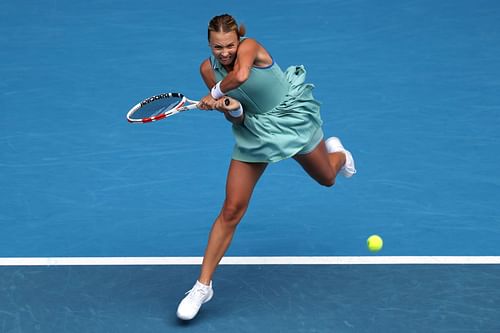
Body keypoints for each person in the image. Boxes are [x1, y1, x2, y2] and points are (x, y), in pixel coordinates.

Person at [176, 14, 356, 321]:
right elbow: (238, 115)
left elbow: (242, 76)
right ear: (209, 44)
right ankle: (202, 286)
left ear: (238, 40)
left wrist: (216, 94)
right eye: (218, 47)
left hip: (290, 120)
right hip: (256, 133)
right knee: (232, 209)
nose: (224, 53)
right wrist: (227, 107)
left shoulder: (251, 48)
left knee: (327, 178)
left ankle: (337, 153)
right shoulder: (208, 70)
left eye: (229, 45)